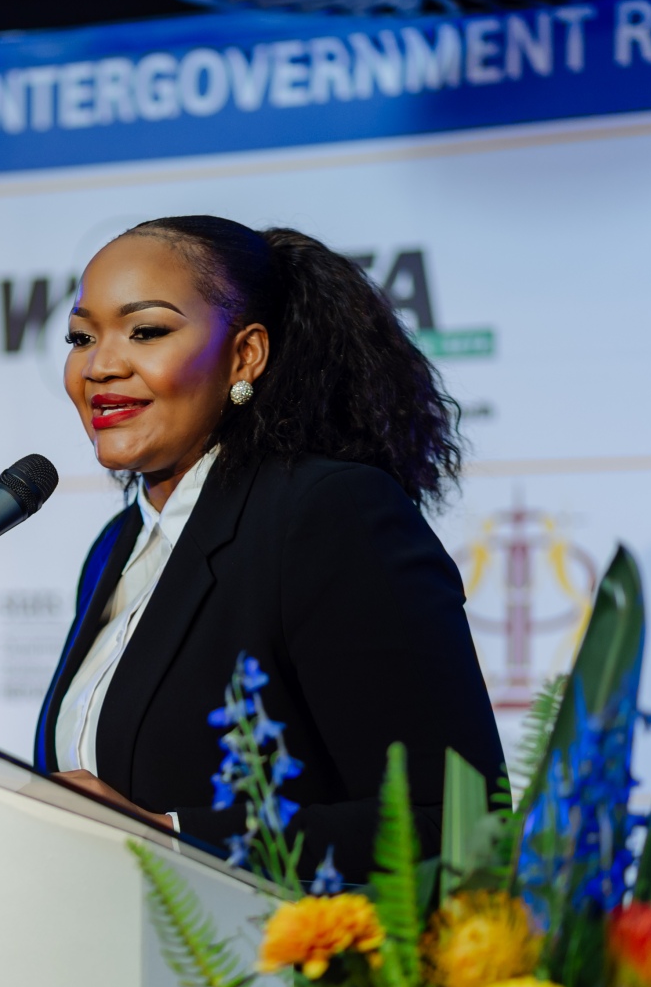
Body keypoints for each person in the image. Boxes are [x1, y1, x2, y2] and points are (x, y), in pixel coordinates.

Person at [32, 215, 504, 880]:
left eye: (147, 331)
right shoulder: (116, 546)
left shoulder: (328, 513)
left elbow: (453, 818)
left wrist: (168, 836)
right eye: (82, 337)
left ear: (245, 356)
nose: (100, 365)